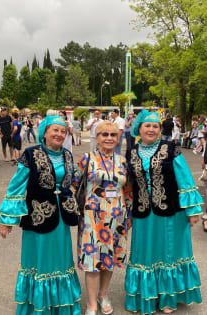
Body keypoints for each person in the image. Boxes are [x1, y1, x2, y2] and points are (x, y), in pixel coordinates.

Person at [0, 115, 81, 315]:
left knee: (61, 261)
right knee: (39, 261)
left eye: (62, 131)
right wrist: (7, 219)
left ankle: (61, 306)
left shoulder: (67, 155)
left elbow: (71, 183)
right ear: (44, 132)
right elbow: (16, 186)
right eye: (55, 130)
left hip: (61, 219)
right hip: (37, 218)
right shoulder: (30, 154)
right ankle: (39, 306)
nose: (59, 134)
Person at [125, 110, 203, 314]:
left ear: (160, 130)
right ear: (139, 128)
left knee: (169, 253)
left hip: (171, 213)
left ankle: (168, 297)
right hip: (143, 213)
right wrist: (128, 211)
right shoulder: (131, 151)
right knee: (145, 253)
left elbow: (185, 177)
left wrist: (192, 209)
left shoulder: (171, 148)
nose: (151, 129)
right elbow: (131, 184)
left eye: (155, 126)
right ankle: (147, 294)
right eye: (147, 126)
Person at [75, 121, 131, 315]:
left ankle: (103, 294)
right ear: (97, 138)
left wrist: (129, 215)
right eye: (104, 134)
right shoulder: (87, 159)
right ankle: (91, 303)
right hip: (92, 217)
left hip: (117, 216)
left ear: (118, 138)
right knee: (92, 260)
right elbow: (74, 185)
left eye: (113, 135)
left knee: (110, 258)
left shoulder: (123, 161)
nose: (109, 138)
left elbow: (128, 190)